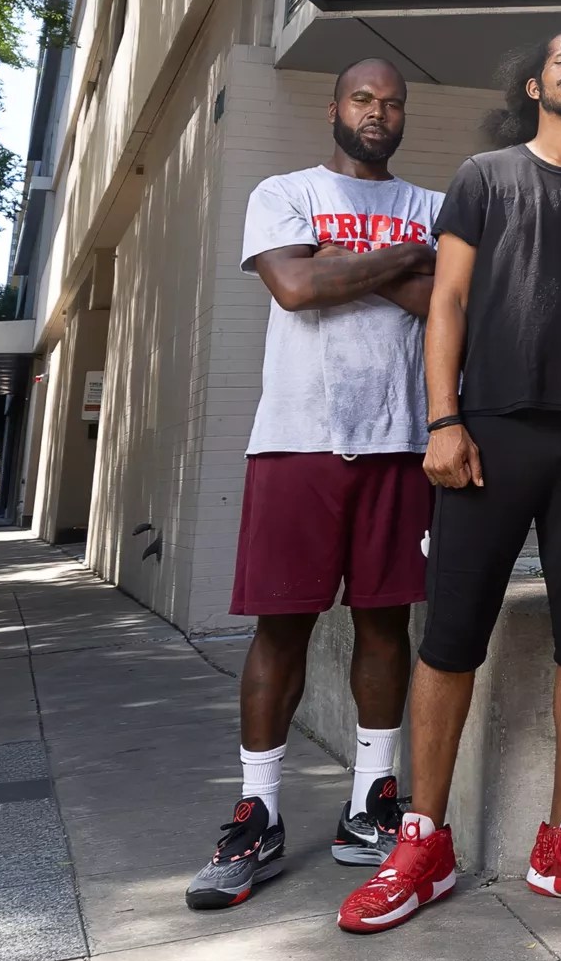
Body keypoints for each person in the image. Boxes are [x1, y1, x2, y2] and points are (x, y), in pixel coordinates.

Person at [339, 30, 561, 934]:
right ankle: (423, 841)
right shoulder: (483, 177)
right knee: (451, 639)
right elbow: (446, 301)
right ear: (532, 83)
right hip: (486, 434)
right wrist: (442, 421)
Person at [186, 60, 440, 911]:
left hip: (399, 439)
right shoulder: (283, 192)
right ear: (335, 107)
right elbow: (295, 288)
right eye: (363, 99)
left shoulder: (435, 205)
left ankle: (371, 804)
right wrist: (402, 262)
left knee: (386, 623)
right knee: (281, 627)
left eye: (392, 103)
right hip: (296, 438)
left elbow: (449, 307)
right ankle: (256, 813)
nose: (378, 112)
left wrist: (350, 264)